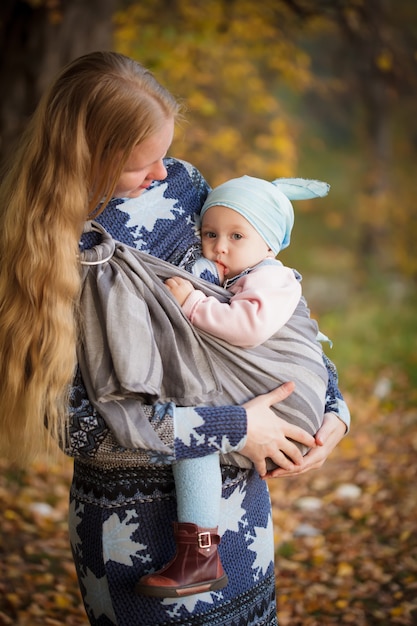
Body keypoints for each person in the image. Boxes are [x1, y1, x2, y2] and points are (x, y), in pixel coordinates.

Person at [0, 51, 350, 626]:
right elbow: (78, 426)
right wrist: (238, 427)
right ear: (90, 157)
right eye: (142, 164)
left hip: (238, 512)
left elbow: (259, 292)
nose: (163, 172)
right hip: (137, 534)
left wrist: (330, 403)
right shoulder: (45, 251)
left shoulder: (183, 185)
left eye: (164, 152)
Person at [134, 175, 330, 597]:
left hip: (289, 402)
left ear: (270, 245)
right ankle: (199, 551)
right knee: (199, 431)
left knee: (196, 431)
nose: (218, 246)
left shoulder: (272, 278)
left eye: (236, 235)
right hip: (272, 397)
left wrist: (192, 302)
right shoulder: (243, 273)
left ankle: (200, 554)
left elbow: (247, 327)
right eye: (210, 233)